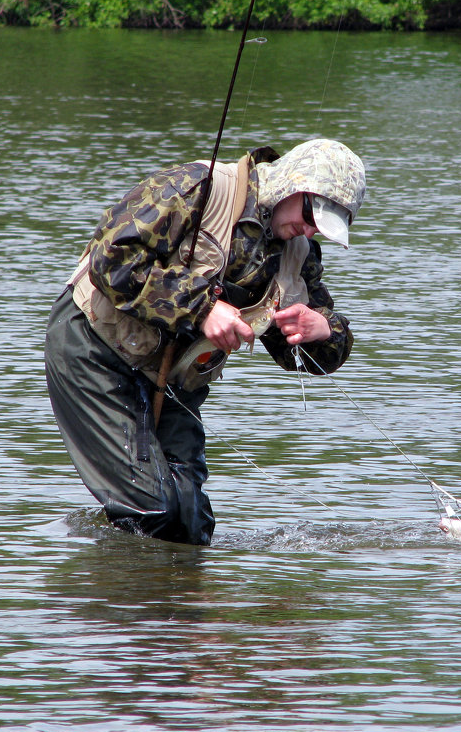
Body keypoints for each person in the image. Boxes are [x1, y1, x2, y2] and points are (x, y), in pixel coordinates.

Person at [44, 138, 366, 546]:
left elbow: (308, 355)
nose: (309, 229)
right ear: (290, 183)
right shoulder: (197, 186)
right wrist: (201, 310)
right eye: (309, 214)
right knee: (153, 508)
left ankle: (180, 603)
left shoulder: (299, 254)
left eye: (322, 226)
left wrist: (322, 329)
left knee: (191, 525)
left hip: (175, 378)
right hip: (93, 349)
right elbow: (112, 260)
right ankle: (124, 599)